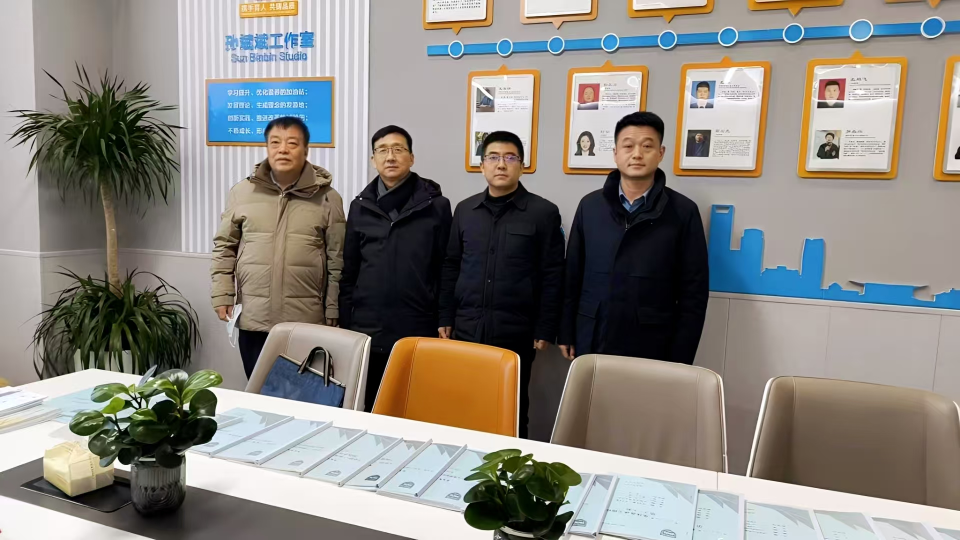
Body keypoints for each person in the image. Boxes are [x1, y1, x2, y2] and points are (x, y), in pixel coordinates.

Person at [439, 131, 565, 439]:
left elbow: (552, 274)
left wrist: (545, 327)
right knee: (465, 404)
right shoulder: (465, 210)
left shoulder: (543, 213)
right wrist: (445, 315)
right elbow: (451, 265)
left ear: (523, 166)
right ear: (482, 165)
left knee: (511, 409)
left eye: (510, 157)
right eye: (493, 157)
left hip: (517, 331)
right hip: (467, 327)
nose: (501, 164)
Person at [559, 112, 709, 366]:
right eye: (628, 146)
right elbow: (572, 274)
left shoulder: (683, 212)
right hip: (593, 335)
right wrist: (566, 331)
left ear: (660, 153)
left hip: (652, 343)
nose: (637, 154)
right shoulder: (590, 206)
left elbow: (693, 292)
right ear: (615, 153)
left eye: (647, 146)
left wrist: (681, 357)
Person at [211, 116, 346, 378]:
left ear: (305, 150)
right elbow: (225, 246)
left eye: (292, 143)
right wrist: (222, 293)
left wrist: (333, 307)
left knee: (303, 393)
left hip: (306, 320)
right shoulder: (242, 192)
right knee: (258, 389)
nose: (282, 149)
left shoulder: (328, 198)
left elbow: (337, 257)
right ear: (267, 147)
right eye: (275, 142)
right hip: (254, 317)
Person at [340, 126, 452, 412]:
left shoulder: (437, 206)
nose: (390, 156)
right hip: (368, 328)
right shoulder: (360, 207)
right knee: (370, 408)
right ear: (373, 160)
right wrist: (345, 321)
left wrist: (444, 317)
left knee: (414, 407)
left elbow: (445, 267)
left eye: (398, 149)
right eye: (382, 150)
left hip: (417, 325)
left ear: (411, 158)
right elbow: (349, 270)